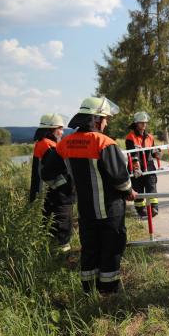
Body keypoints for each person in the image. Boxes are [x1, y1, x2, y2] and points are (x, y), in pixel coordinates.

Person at [41, 97, 137, 295]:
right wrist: (129, 191)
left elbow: (47, 173)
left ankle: (89, 292)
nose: (106, 123)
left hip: (85, 211)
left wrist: (66, 187)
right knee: (111, 249)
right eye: (105, 118)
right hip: (110, 209)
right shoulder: (104, 143)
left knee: (90, 251)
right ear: (95, 120)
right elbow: (119, 177)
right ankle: (108, 293)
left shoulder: (65, 143)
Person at [28, 113, 75, 255]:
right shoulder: (50, 147)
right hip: (58, 196)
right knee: (62, 226)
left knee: (50, 226)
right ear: (51, 130)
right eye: (60, 128)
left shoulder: (42, 143)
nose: (62, 131)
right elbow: (51, 174)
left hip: (48, 195)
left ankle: (50, 255)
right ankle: (63, 257)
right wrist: (66, 187)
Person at [125, 111, 161, 218]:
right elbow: (132, 154)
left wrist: (157, 153)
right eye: (142, 122)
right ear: (136, 123)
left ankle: (154, 207)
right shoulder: (130, 137)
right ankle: (141, 210)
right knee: (138, 189)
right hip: (136, 167)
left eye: (145, 122)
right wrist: (136, 167)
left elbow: (152, 151)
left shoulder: (150, 137)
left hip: (149, 166)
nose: (144, 125)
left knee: (151, 186)